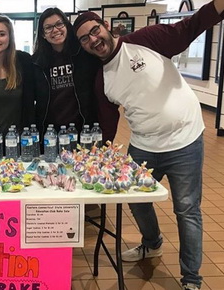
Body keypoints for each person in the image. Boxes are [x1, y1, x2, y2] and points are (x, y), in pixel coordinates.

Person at [74, 2, 224, 289]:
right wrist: (99, 159)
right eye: (85, 38)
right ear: (82, 46)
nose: (93, 39)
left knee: (187, 210)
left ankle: (191, 279)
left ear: (106, 27)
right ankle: (152, 243)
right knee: (136, 199)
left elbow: (189, 27)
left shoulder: (146, 40)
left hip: (186, 140)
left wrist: (216, 7)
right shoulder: (102, 79)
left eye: (95, 31)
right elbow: (108, 125)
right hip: (143, 146)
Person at [32, 8, 102, 144]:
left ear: (66, 26)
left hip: (83, 129)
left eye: (59, 24)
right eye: (48, 28)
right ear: (42, 34)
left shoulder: (84, 55)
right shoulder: (36, 63)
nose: (55, 30)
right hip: (50, 133)